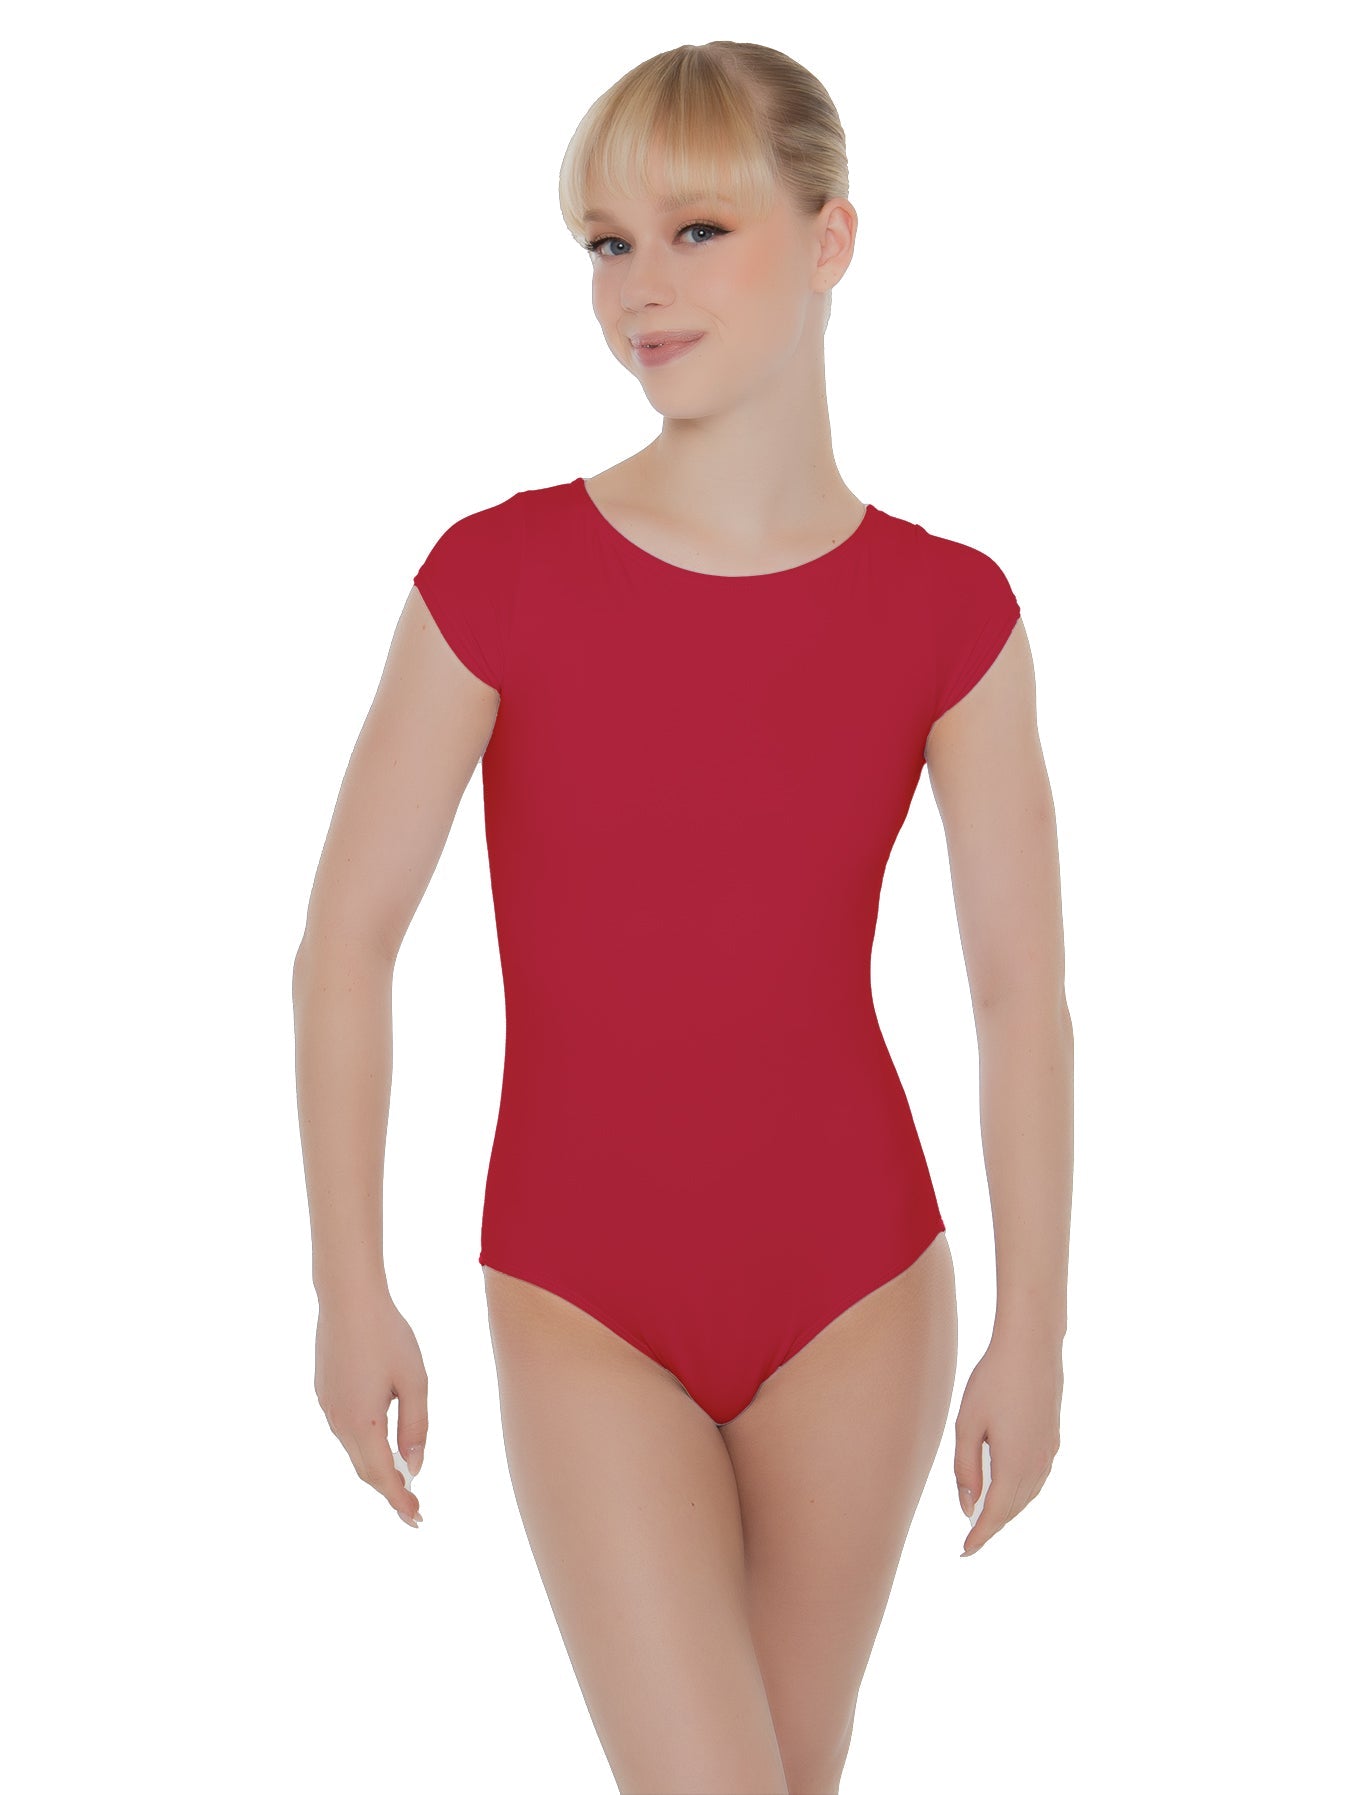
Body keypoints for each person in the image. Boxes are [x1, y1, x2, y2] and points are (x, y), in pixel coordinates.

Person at [293, 39, 1072, 1795]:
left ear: (831, 239)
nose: (640, 287)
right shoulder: (496, 577)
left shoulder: (951, 612)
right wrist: (350, 1287)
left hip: (860, 1290)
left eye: (698, 230)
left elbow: (1021, 994)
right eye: (606, 243)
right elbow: (345, 942)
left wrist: (1035, 1327)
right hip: (584, 1291)